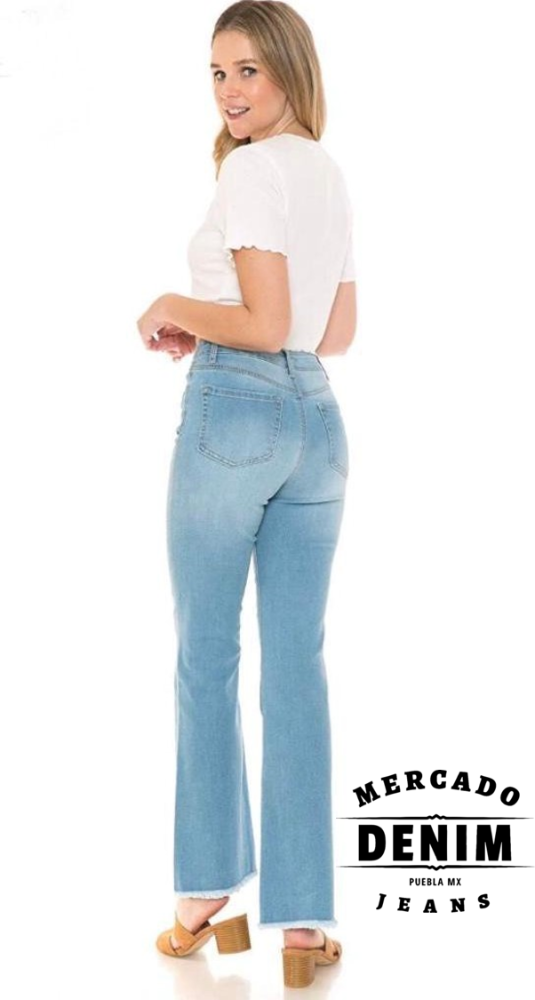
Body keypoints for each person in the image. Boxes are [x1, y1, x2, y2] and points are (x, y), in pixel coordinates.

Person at [137, 1, 357, 989]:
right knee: (297, 667)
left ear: (288, 72)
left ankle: (202, 897)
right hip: (317, 422)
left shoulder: (252, 170)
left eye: (248, 71)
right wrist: (224, 321)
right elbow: (330, 332)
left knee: (208, 654)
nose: (229, 92)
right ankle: (304, 925)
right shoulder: (326, 172)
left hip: (235, 412)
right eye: (217, 73)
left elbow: (263, 324)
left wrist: (171, 306)